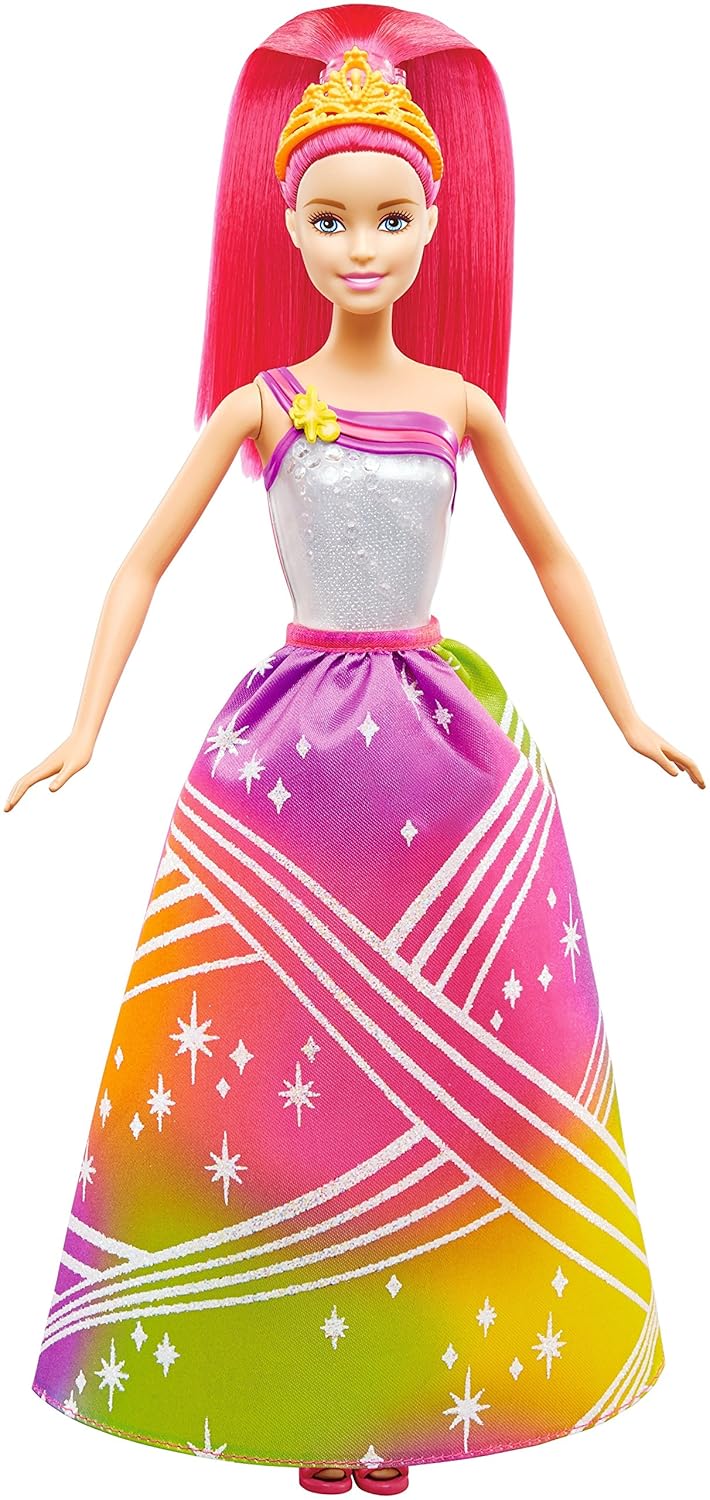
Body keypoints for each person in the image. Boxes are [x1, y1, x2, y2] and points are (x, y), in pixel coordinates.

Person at [8, 5, 703, 1494]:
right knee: (278, 1073)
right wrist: (81, 725)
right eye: (331, 219)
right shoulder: (263, 406)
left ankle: (406, 1391)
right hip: (288, 767)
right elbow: (141, 564)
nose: (362, 245)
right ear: (289, 231)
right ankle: (304, 1398)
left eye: (390, 217)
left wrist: (630, 713)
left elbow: (556, 558)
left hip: (448, 770)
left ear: (436, 224)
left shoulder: (459, 406)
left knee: (447, 1079)